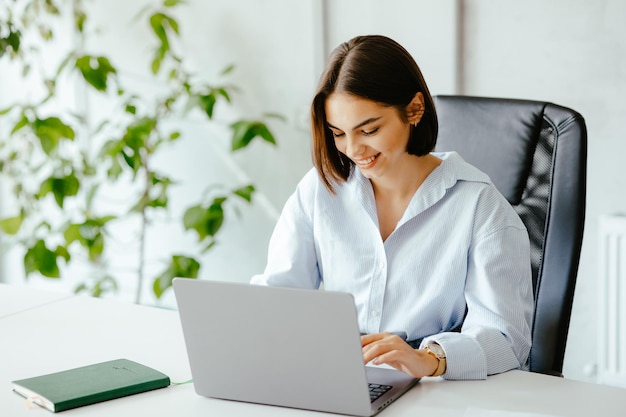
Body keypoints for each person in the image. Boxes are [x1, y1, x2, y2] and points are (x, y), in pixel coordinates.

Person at [251, 35, 533, 380]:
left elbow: (507, 340)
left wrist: (430, 358)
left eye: (368, 129)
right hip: (335, 377)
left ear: (414, 109)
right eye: (338, 133)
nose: (353, 149)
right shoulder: (320, 189)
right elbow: (280, 293)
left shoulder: (480, 206)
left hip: (430, 391)